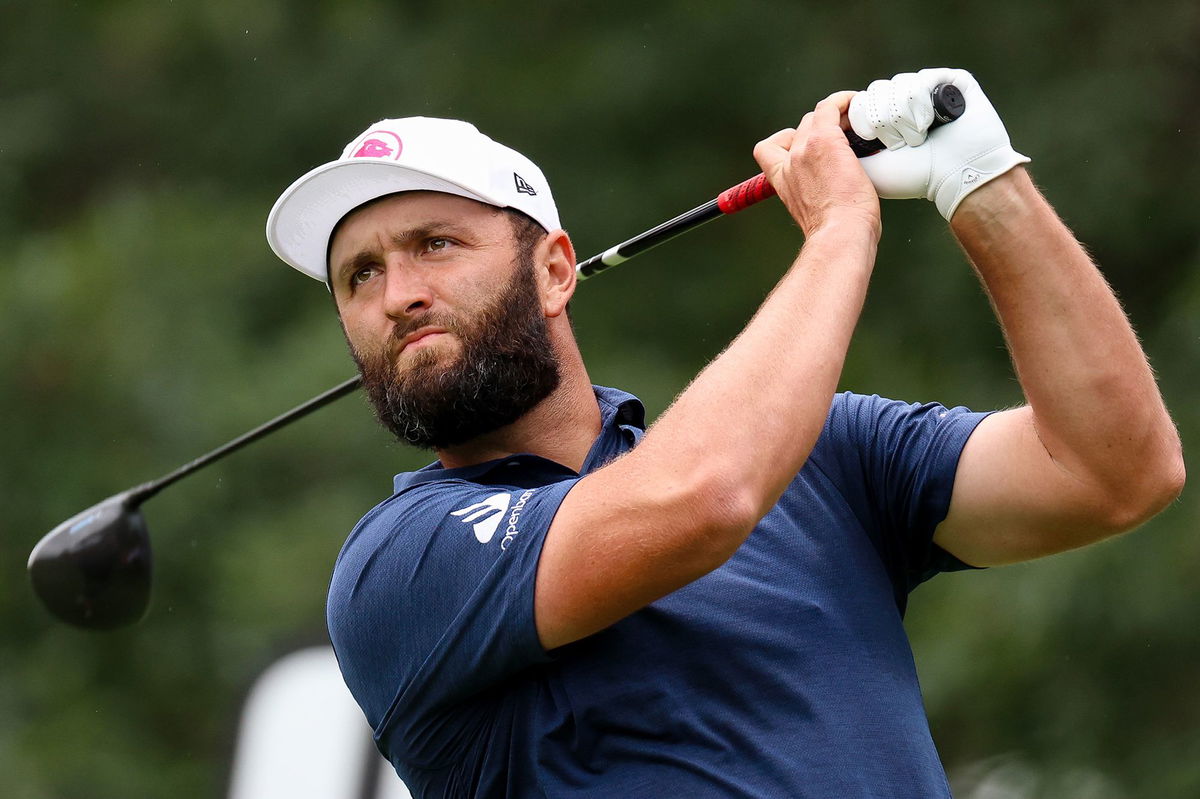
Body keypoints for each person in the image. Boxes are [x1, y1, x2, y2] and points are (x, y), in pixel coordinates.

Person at [265, 68, 1183, 798]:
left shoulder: (825, 456)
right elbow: (702, 499)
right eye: (359, 276)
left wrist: (984, 184)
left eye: (435, 244)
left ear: (554, 271)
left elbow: (1113, 471)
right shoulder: (400, 564)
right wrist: (836, 233)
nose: (398, 295)